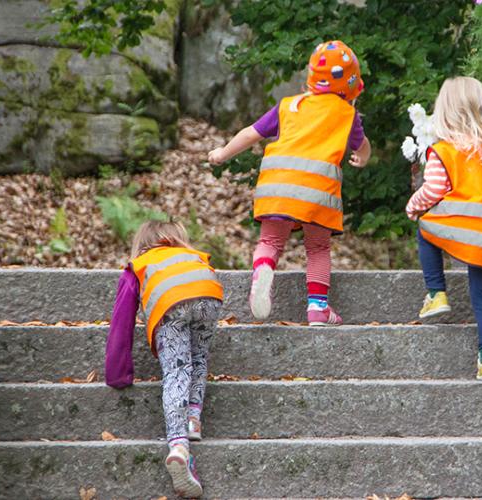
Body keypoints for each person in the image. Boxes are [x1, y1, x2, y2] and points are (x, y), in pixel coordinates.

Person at [208, 40, 370, 326]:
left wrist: (222, 153)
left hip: (277, 187)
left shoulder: (289, 106)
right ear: (351, 85)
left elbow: (250, 133)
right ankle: (318, 308)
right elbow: (363, 145)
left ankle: (262, 269)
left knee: (270, 241)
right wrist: (362, 157)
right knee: (318, 248)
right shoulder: (347, 115)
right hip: (317, 194)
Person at [405, 76, 482, 382]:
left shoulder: (443, 151)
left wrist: (413, 205)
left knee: (424, 227)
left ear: (445, 113)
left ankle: (436, 293)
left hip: (454, 231)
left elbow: (433, 190)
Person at [105, 220, 224, 498]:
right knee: (198, 358)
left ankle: (179, 444)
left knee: (177, 370)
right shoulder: (193, 256)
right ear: (177, 238)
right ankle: (193, 418)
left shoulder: (140, 265)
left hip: (171, 300)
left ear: (141, 243)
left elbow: (121, 324)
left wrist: (118, 373)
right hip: (209, 292)